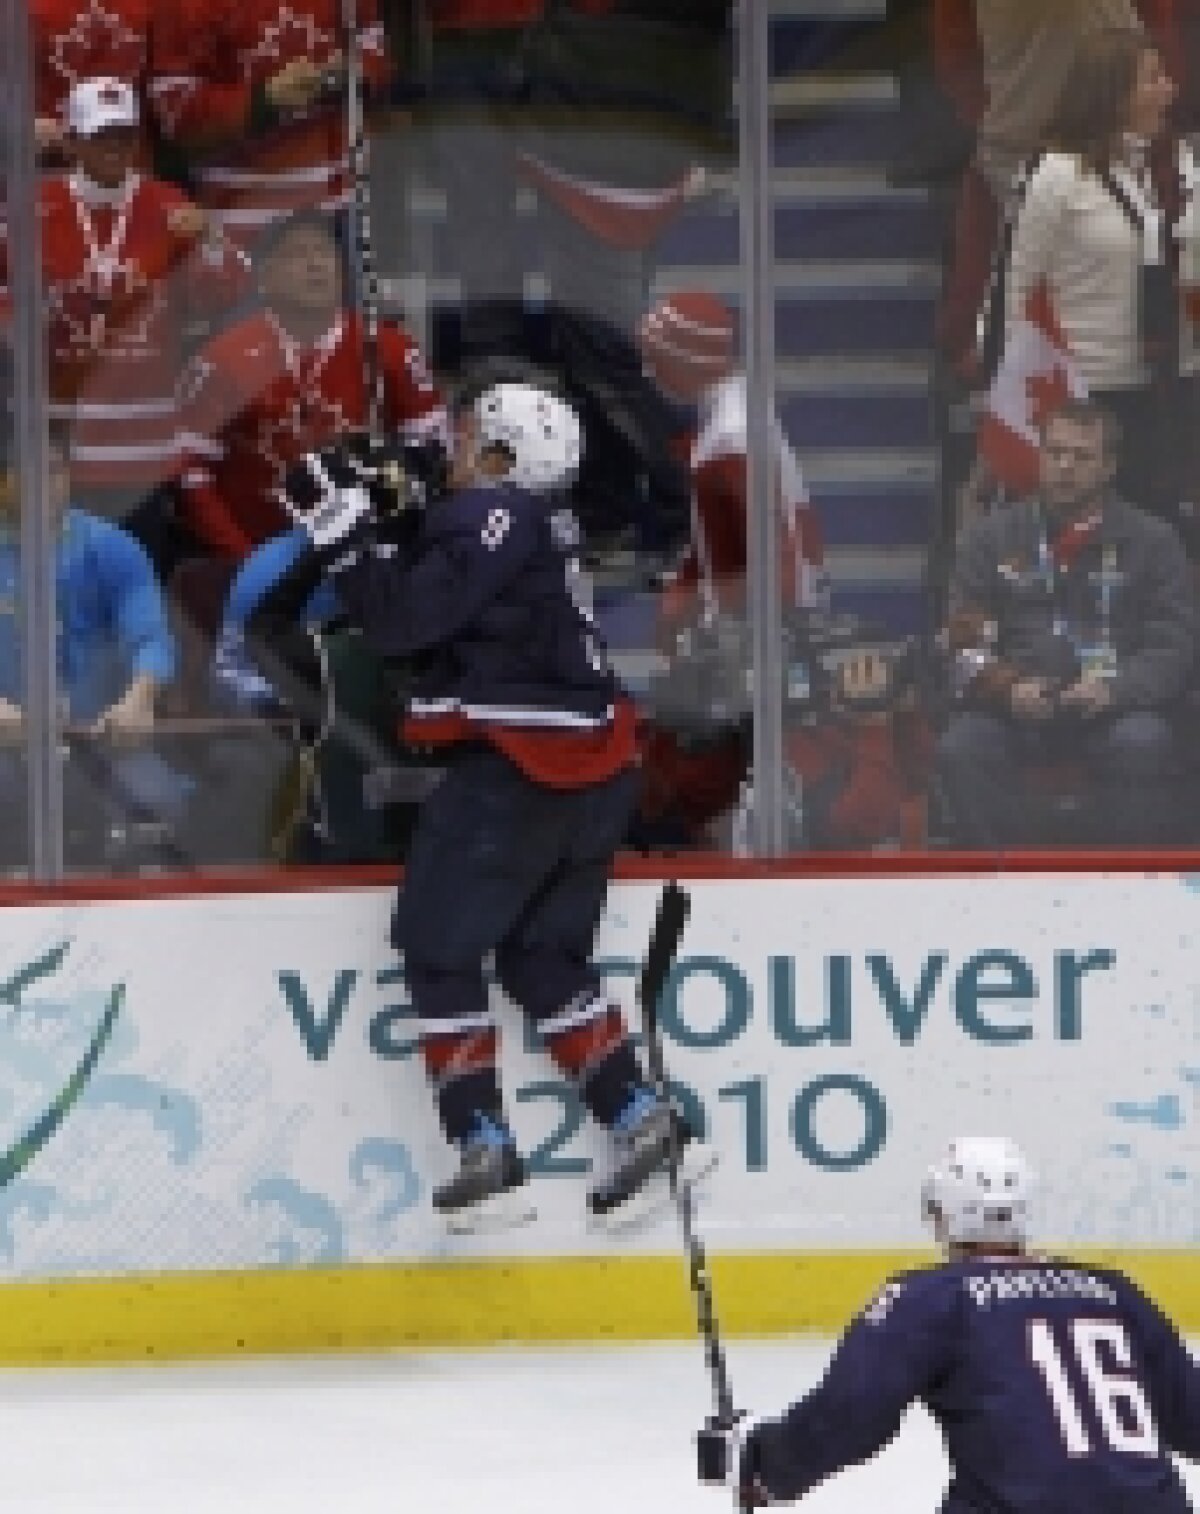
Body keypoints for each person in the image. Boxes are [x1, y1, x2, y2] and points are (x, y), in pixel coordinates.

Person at [245, 378, 705, 1227]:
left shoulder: (496, 514)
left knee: (438, 955)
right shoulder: (533, 522)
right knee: (541, 958)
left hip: (519, 772)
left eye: (466, 443)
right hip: (594, 773)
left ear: (499, 458)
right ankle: (642, 1116)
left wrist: (341, 522)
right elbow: (436, 577)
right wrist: (390, 496)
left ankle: (484, 1147)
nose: (451, 453)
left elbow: (400, 624)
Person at [699, 1133, 1200, 1511]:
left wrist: (760, 1465)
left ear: (944, 1215)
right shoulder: (1114, 1292)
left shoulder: (930, 1299)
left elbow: (850, 1416)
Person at [0, 77, 251, 574]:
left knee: (135, 581)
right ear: (72, 141)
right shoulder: (30, 209)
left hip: (142, 446)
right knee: (56, 585)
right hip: (56, 444)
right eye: (101, 136)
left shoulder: (169, 204)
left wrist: (210, 240)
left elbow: (227, 291)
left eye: (124, 135)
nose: (115, 147)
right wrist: (19, 324)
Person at [938, 399, 1194, 848]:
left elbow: (1174, 645)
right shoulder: (990, 538)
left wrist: (1117, 689)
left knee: (1143, 742)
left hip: (1116, 708)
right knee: (963, 746)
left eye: (1081, 456)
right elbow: (962, 641)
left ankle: (1124, 880)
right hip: (1016, 708)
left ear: (1109, 467)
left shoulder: (1154, 540)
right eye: (1055, 452)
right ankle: (1006, 876)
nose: (1065, 467)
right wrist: (1008, 688)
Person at [986, 27, 1200, 539]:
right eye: (1153, 78)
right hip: (1088, 395)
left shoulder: (1177, 164)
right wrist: (1025, 404)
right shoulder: (1055, 175)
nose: (1170, 90)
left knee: (1164, 535)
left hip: (1173, 384)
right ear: (1115, 93)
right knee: (1093, 539)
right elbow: (1014, 292)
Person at [176, 208, 447, 564]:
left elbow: (431, 452)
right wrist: (245, 559)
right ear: (266, 278)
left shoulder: (390, 348)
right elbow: (190, 472)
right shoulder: (222, 360)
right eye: (297, 253)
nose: (315, 264)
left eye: (324, 252)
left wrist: (389, 537)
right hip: (256, 558)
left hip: (367, 559)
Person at [0, 418, 186, 867]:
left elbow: (152, 638)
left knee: (159, 797)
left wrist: (139, 697)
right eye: (28, 470)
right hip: (5, 744)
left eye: (55, 469)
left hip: (98, 739)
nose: (45, 484)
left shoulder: (113, 547)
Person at [149, 0, 391, 245]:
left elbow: (371, 43)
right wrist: (264, 101)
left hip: (342, 197)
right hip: (241, 211)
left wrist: (341, 74)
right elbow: (175, 108)